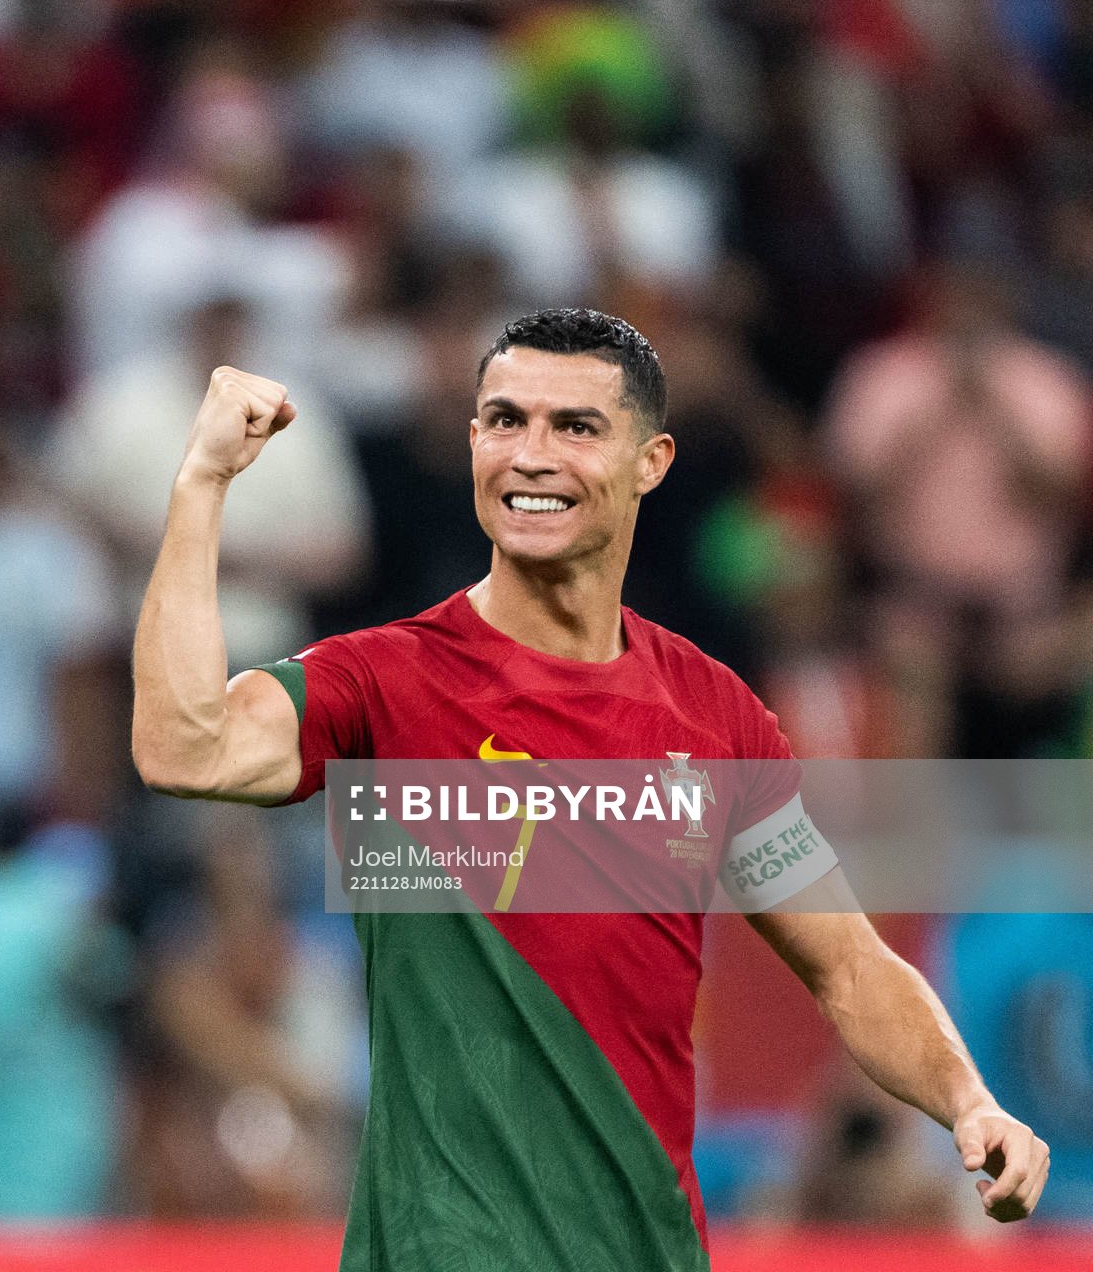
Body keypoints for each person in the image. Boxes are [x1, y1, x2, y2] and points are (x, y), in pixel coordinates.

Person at [129, 308, 1049, 1270]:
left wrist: (968, 1101)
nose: (531, 455)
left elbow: (850, 968)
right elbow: (183, 749)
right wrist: (201, 483)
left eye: (575, 427)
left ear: (650, 461)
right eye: (504, 420)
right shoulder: (385, 683)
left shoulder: (714, 714)